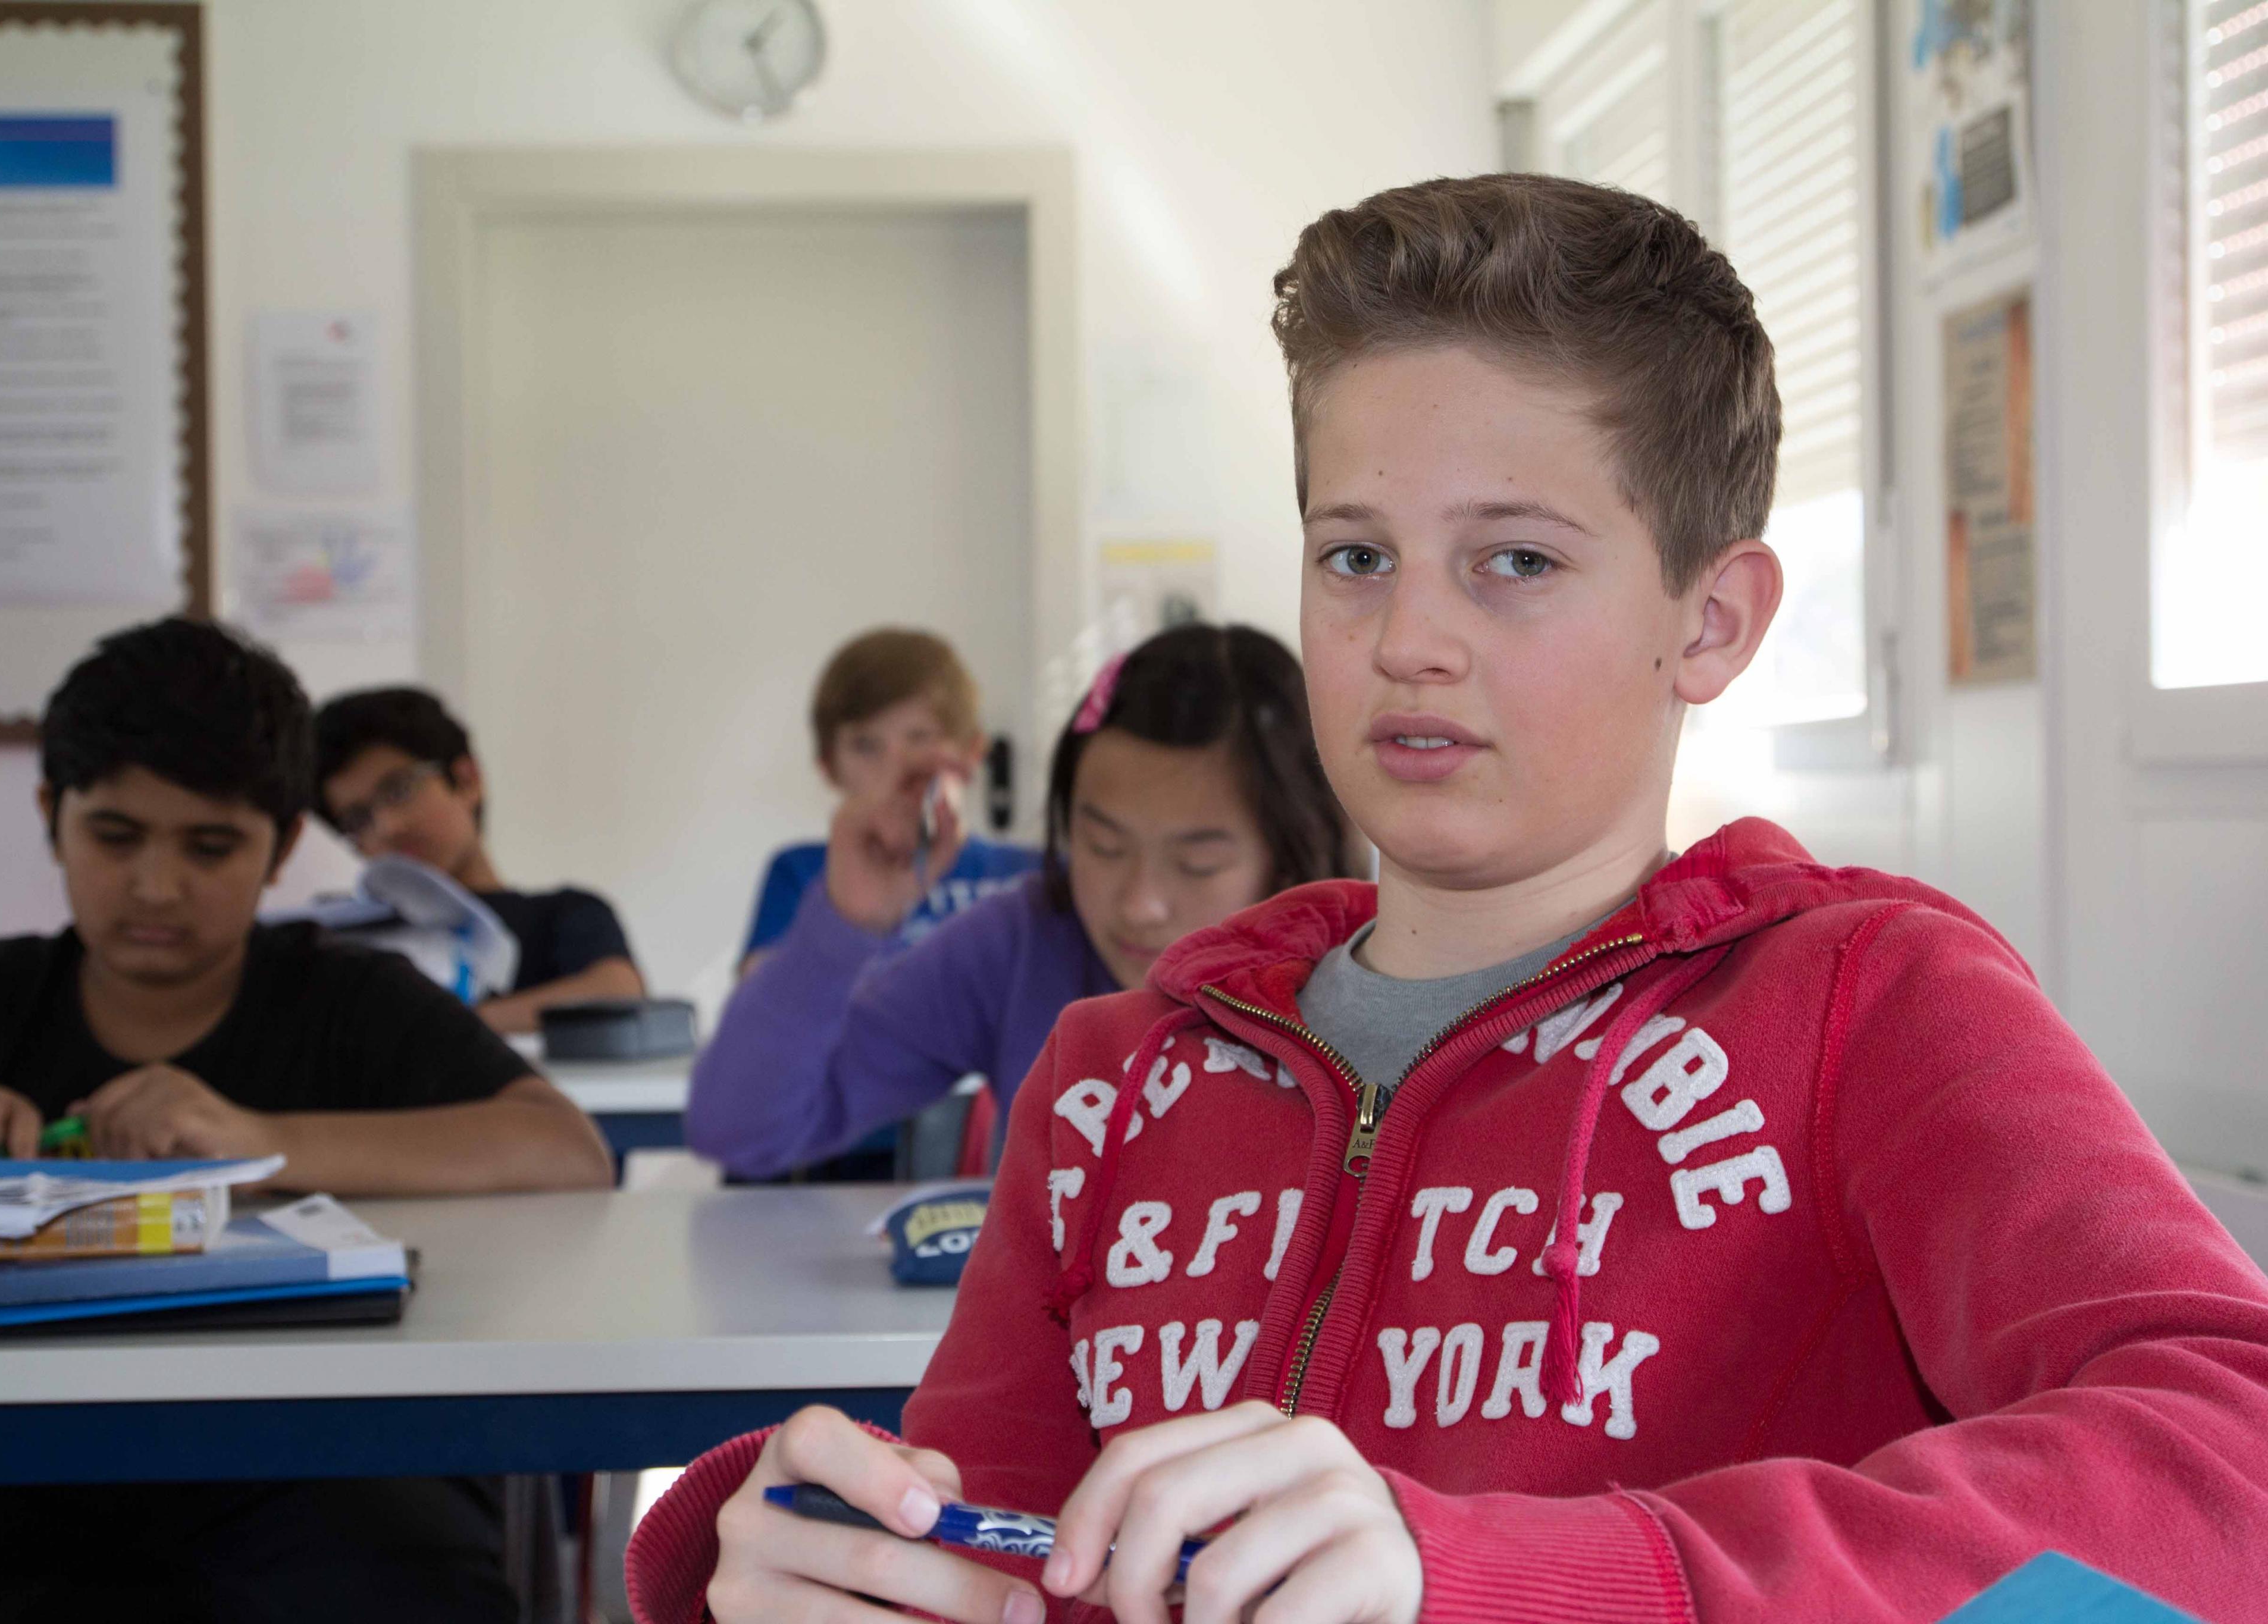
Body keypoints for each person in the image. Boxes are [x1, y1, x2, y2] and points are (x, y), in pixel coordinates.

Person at [629, 176, 2268, 1624]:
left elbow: (2232, 1459)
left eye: (1516, 562)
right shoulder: (1111, 1078)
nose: (1407, 639)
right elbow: (1011, 1566)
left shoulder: (1868, 1006)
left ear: (1710, 622)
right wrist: (820, 1563)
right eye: (1356, 557)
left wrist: (1513, 1578)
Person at [0, 617, 610, 1622]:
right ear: (52, 815)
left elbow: (566, 1149)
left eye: (211, 846)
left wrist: (257, 1138)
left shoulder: (350, 999)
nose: (157, 886)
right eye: (115, 836)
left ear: (282, 847)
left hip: (315, 1461)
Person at [687, 622, 1359, 1183]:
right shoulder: (1026, 940)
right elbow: (740, 1131)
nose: (1140, 904)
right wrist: (845, 926)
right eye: (1102, 845)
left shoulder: (1376, 970)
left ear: (1290, 855)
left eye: (1198, 862)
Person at [313, 685, 648, 1034]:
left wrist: (428, 1032)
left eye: (399, 790)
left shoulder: (563, 914)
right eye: (357, 819)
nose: (387, 827)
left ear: (467, 781)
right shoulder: (339, 936)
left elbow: (616, 994)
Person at [738, 628, 1037, 977]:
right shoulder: (801, 874)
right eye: (866, 746)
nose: (896, 768)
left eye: (921, 738)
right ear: (829, 768)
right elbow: (764, 1005)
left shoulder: (1037, 876)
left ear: (972, 754)